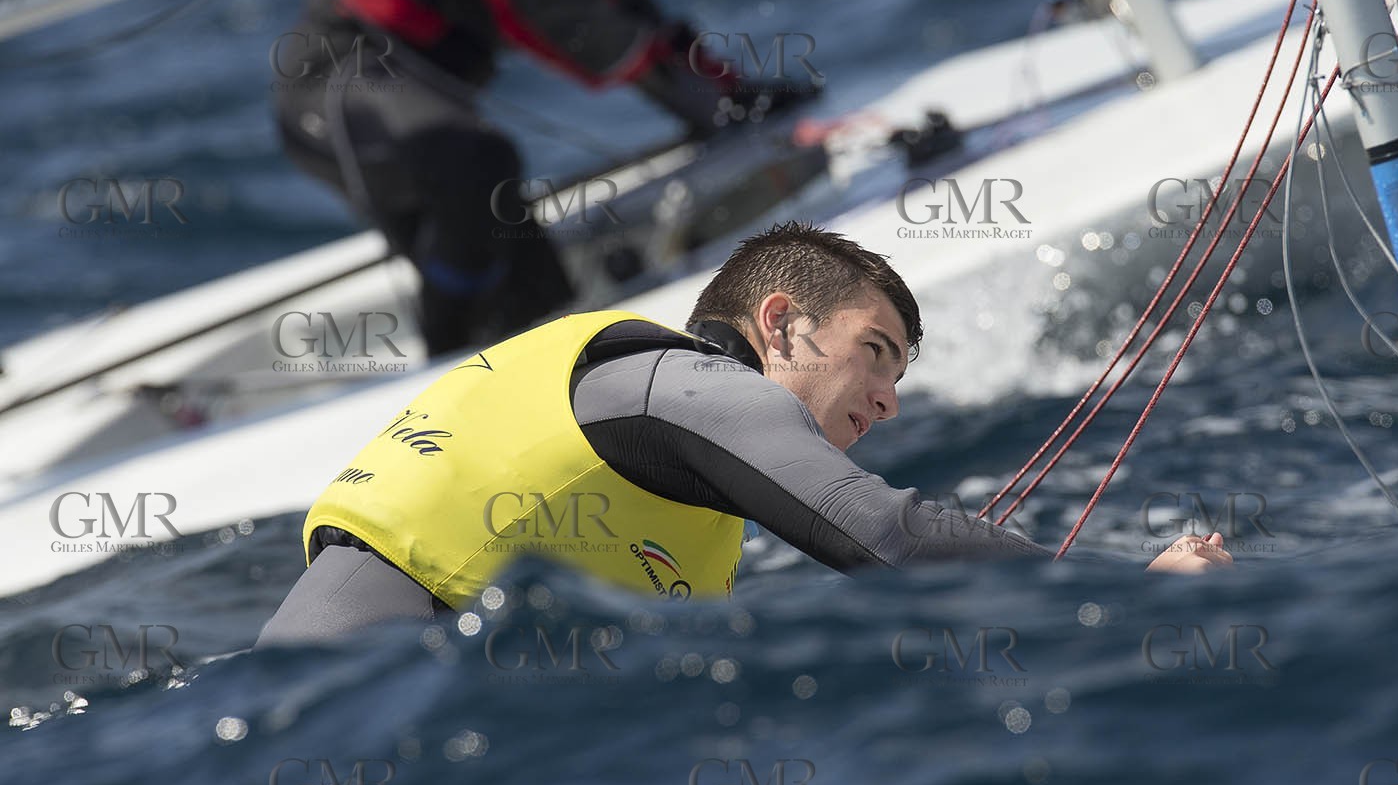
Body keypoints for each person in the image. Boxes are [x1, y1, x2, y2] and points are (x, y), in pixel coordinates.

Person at [255, 222, 1230, 646]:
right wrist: (1115, 595)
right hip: (361, 711)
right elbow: (887, 534)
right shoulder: (683, 385)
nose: (887, 398)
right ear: (779, 322)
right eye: (876, 350)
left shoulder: (670, 451)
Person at [272, 0, 818, 356]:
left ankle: (478, 361)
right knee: (476, 165)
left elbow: (608, 4)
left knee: (544, 304)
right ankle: (440, 366)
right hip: (337, 84)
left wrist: (723, 101)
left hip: (418, 105)